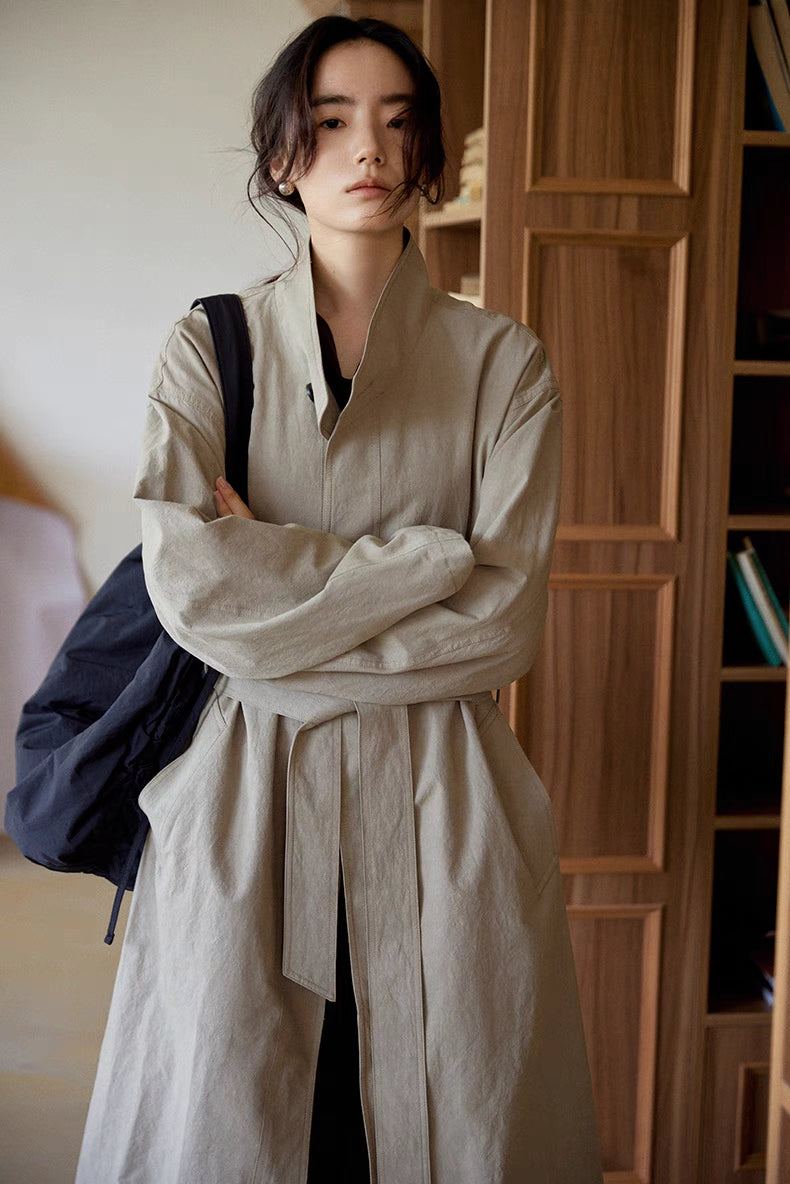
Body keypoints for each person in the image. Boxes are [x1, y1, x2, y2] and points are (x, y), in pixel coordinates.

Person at [75, 15, 602, 1184]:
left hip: (446, 810)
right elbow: (195, 590)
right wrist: (424, 560)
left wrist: (282, 590)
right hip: (244, 811)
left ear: (427, 156)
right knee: (238, 1123)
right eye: (330, 121)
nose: (368, 146)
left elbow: (502, 624)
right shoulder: (206, 348)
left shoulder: (505, 364)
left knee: (445, 1123)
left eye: (398, 120)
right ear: (281, 155)